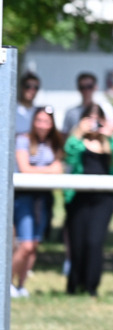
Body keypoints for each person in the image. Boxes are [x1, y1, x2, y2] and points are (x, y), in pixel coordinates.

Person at [64, 103, 113, 297]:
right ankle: (74, 285)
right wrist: (78, 132)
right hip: (79, 198)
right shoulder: (78, 141)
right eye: (89, 119)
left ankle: (91, 286)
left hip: (103, 200)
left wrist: (112, 135)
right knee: (77, 243)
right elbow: (69, 153)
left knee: (94, 242)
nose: (94, 123)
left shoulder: (109, 143)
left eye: (97, 119)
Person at [11, 106, 64, 298]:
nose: (42, 125)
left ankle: (21, 285)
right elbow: (24, 169)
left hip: (44, 198)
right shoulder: (23, 140)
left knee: (33, 244)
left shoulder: (54, 143)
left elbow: (59, 168)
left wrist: (46, 169)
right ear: (34, 122)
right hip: (25, 197)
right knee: (24, 245)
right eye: (39, 120)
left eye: (47, 121)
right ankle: (7, 283)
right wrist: (49, 169)